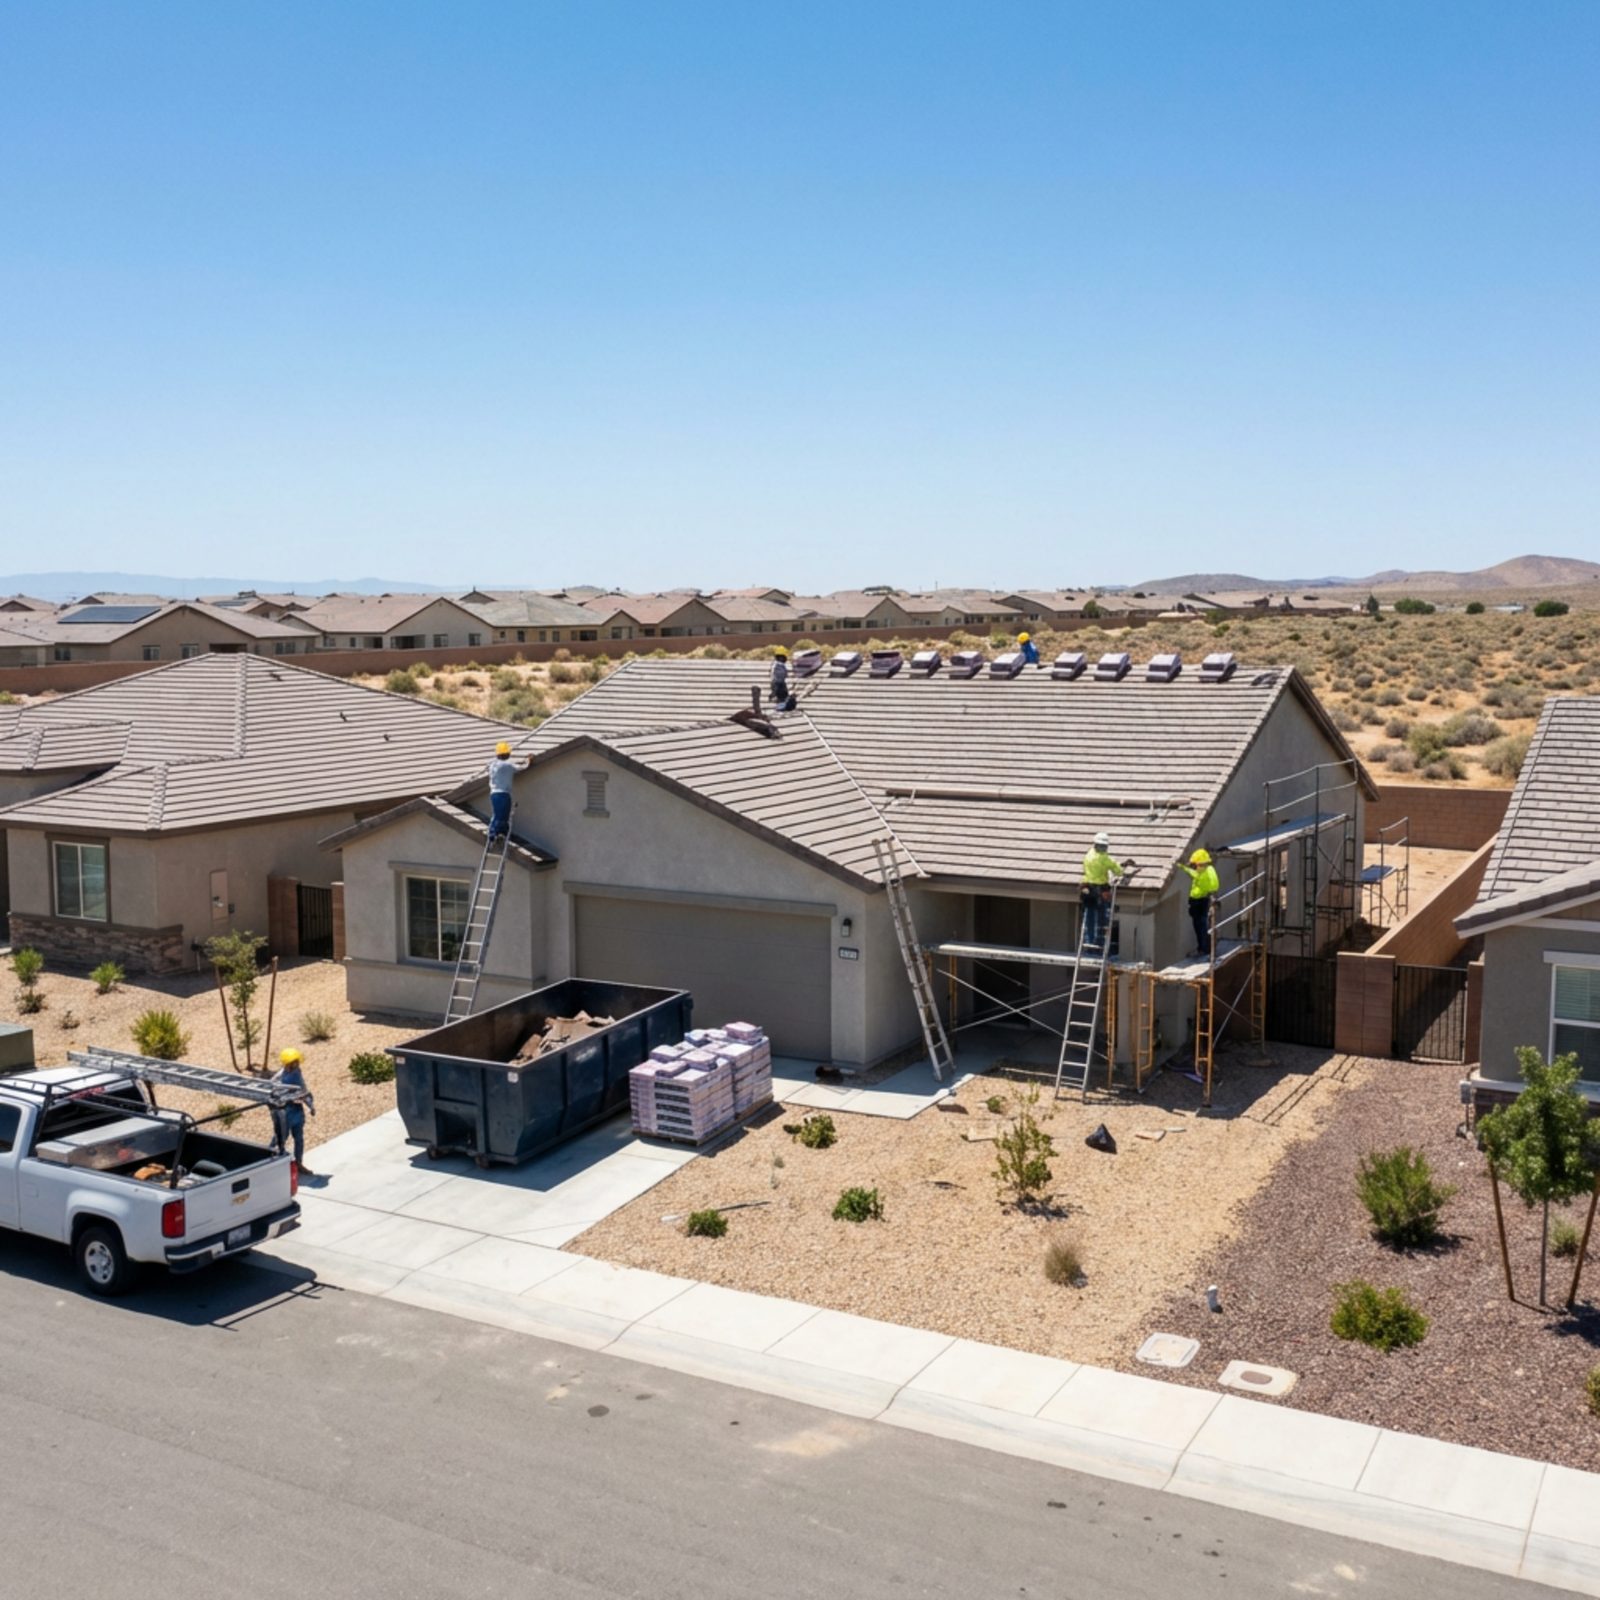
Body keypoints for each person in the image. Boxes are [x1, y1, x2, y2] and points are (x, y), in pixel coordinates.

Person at [1080, 832, 1130, 952]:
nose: (1104, 848)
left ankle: (1089, 942)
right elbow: (1118, 871)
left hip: (1086, 887)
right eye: (1103, 846)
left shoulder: (1088, 854)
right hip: (1100, 889)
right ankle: (1099, 944)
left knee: (1090, 916)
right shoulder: (1104, 858)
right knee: (1103, 915)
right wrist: (1122, 867)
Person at [272, 1048, 317, 1174]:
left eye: (296, 1062)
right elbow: (272, 1087)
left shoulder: (297, 1073)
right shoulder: (280, 1075)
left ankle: (298, 1163)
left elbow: (303, 1090)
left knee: (299, 1138)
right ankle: (271, 1162)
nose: (295, 1065)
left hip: (297, 1110)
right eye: (293, 1062)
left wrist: (310, 1105)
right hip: (284, 1111)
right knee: (280, 1138)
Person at [486, 740, 530, 842]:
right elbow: (522, 767)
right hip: (503, 794)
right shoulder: (508, 766)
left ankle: (496, 832)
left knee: (497, 814)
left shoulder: (493, 765)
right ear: (507, 754)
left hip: (494, 794)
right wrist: (528, 760)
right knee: (503, 814)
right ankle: (496, 834)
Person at [1182, 848, 1221, 957]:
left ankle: (1205, 949)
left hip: (1202, 900)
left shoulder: (1208, 870)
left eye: (1195, 865)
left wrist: (1207, 891)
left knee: (1202, 925)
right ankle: (1202, 948)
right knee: (1198, 925)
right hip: (1197, 900)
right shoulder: (1203, 870)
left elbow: (1214, 885)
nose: (1194, 867)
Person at [769, 645, 796, 711]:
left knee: (783, 696)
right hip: (778, 684)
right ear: (781, 657)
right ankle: (780, 708)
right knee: (781, 696)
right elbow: (780, 676)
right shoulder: (778, 665)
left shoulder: (777, 665)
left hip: (779, 683)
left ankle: (781, 707)